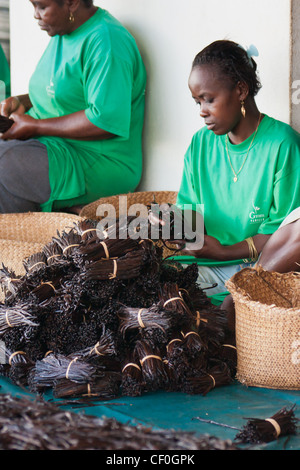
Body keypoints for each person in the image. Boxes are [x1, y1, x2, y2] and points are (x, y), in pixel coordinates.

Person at [171, 40, 300, 297]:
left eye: (209, 100)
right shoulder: (201, 144)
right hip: (207, 266)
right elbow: (190, 213)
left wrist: (224, 252)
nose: (202, 112)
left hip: (261, 271)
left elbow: (284, 238)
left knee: (215, 304)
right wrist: (176, 227)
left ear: (241, 90)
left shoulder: (282, 144)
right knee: (155, 285)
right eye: (198, 102)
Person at [0, 0, 146, 214]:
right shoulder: (63, 31)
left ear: (71, 3)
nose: (35, 15)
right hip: (52, 145)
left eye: (41, 7)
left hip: (96, 160)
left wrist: (36, 127)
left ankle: (25, 239)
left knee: (6, 164)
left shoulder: (107, 41)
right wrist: (21, 102)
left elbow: (103, 120)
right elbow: (62, 92)